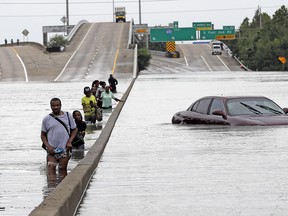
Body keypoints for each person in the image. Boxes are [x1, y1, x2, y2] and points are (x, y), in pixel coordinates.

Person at [41, 98, 78, 177]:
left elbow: (74, 130)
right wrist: (48, 146)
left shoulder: (68, 116)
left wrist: (69, 141)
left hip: (64, 149)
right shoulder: (46, 119)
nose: (55, 107)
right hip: (52, 150)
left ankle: (63, 187)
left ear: (61, 106)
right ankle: (52, 188)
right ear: (51, 106)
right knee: (51, 169)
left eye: (57, 105)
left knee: (63, 170)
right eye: (53, 106)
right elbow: (43, 135)